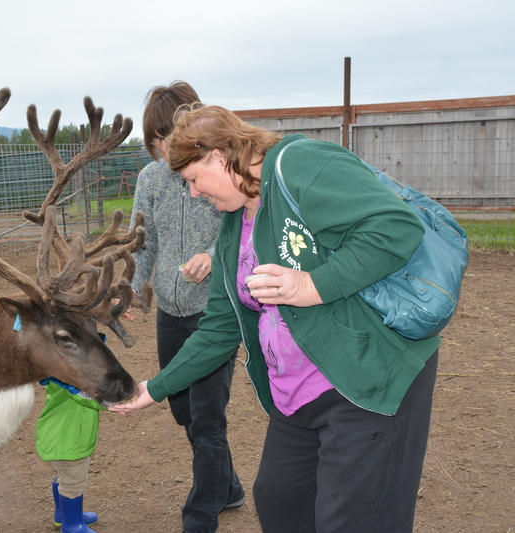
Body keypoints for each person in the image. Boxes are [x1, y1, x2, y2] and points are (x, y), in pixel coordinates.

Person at [110, 104, 441, 533]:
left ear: (219, 155)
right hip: (296, 393)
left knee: (352, 518)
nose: (192, 193)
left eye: (192, 179)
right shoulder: (233, 225)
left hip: (364, 381)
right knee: (281, 502)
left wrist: (311, 286)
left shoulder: (300, 163)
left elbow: (396, 227)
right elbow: (219, 330)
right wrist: (153, 389)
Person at [127, 82, 244, 533]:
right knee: (184, 412)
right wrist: (134, 288)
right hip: (171, 314)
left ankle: (201, 517)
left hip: (213, 314)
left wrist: (215, 256)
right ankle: (228, 486)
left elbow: (244, 228)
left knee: (207, 422)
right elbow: (144, 241)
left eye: (167, 139)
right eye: (155, 143)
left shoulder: (220, 173)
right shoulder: (151, 179)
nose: (162, 150)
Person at [35, 372, 106, 533]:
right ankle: (72, 525)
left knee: (68, 477)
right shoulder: (71, 382)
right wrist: (123, 399)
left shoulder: (62, 375)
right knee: (74, 481)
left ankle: (63, 514)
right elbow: (92, 398)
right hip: (68, 442)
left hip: (69, 439)